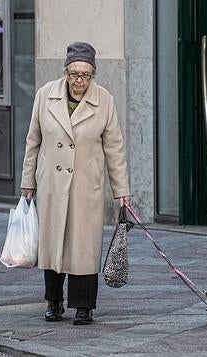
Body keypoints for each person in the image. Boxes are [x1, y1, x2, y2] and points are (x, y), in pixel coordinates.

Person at [20, 42, 131, 326]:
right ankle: (54, 302)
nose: (78, 81)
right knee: (53, 244)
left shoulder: (104, 100)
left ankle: (84, 307)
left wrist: (122, 192)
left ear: (93, 75)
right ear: (66, 72)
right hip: (52, 185)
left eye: (85, 75)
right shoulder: (45, 95)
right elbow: (33, 141)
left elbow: (114, 148)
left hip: (86, 186)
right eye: (73, 74)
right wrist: (27, 181)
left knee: (83, 248)